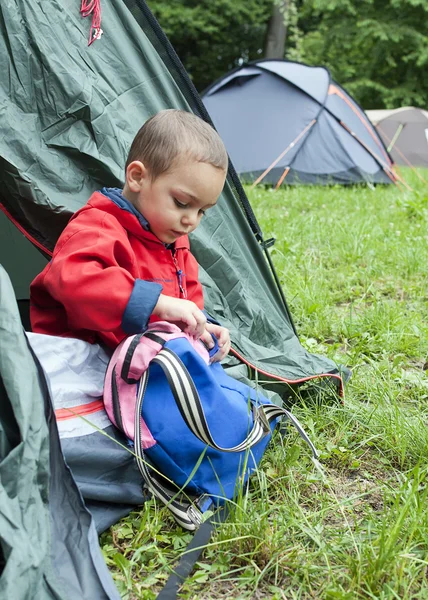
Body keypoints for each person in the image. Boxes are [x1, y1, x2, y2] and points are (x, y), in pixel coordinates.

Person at [30, 109, 231, 361]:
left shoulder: (175, 240)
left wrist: (201, 326)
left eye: (202, 211)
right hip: (78, 356)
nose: (191, 220)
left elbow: (187, 296)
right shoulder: (98, 225)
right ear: (137, 177)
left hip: (137, 357)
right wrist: (159, 304)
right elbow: (76, 284)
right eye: (181, 203)